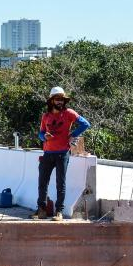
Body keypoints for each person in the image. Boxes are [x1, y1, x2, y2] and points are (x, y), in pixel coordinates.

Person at [32, 87, 90, 221]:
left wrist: (73, 134)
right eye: (57, 99)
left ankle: (59, 212)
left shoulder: (69, 113)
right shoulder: (45, 116)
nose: (60, 102)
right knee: (42, 182)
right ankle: (41, 210)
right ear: (51, 101)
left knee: (60, 183)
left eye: (62, 100)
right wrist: (44, 137)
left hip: (62, 154)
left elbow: (85, 124)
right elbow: (40, 133)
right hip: (47, 153)